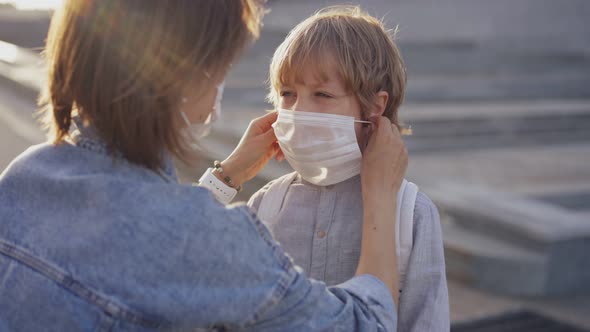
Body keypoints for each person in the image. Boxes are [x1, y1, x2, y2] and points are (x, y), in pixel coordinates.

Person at [0, 1, 408, 331]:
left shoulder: (24, 176)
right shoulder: (207, 239)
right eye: (220, 62)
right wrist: (380, 196)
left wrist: (226, 176)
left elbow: (147, 233)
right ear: (184, 72)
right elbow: (365, 322)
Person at [248, 6, 450, 331]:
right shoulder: (265, 204)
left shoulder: (412, 214)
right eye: (287, 94)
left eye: (323, 94)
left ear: (374, 106)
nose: (299, 110)